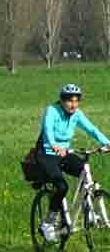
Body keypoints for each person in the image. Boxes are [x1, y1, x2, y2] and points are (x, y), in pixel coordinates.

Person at [36, 84, 110, 242]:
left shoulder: (77, 114)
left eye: (76, 101)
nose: (73, 104)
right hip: (47, 154)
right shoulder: (52, 110)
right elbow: (48, 129)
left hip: (65, 153)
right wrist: (54, 144)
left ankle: (88, 210)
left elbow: (91, 129)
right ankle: (48, 223)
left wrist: (107, 142)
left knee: (86, 172)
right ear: (62, 101)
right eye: (69, 101)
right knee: (62, 186)